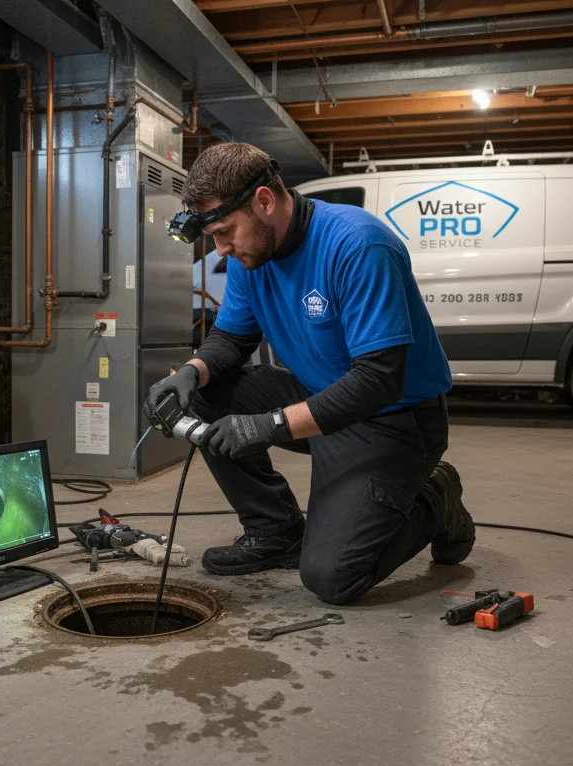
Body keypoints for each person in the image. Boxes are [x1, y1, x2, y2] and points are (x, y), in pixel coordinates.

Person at [144, 142, 475, 605]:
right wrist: (189, 373)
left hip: (394, 419)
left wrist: (268, 425)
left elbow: (379, 379)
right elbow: (233, 339)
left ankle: (436, 495)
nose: (221, 249)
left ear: (264, 201)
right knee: (206, 393)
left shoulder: (357, 244)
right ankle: (275, 530)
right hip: (321, 394)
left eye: (225, 232)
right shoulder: (251, 255)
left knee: (332, 577)